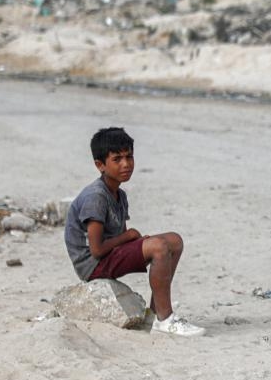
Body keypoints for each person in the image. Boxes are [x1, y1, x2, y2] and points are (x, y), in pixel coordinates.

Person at [64, 127, 205, 336]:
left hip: (108, 255)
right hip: (92, 265)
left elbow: (115, 239)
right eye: (117, 159)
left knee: (174, 241)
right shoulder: (96, 197)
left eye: (129, 157)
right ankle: (165, 319)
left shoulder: (118, 194)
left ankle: (154, 314)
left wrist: (134, 242)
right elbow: (96, 249)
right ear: (100, 165)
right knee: (158, 247)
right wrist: (129, 237)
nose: (126, 164)